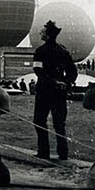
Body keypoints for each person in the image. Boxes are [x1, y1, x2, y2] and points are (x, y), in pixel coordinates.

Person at [32, 20, 78, 161]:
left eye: (43, 31)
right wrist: (65, 82)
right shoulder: (63, 51)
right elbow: (72, 71)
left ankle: (43, 152)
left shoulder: (40, 51)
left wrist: (52, 82)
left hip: (44, 91)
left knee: (39, 120)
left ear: (47, 35)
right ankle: (63, 154)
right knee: (59, 124)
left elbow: (38, 70)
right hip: (60, 92)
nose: (40, 33)